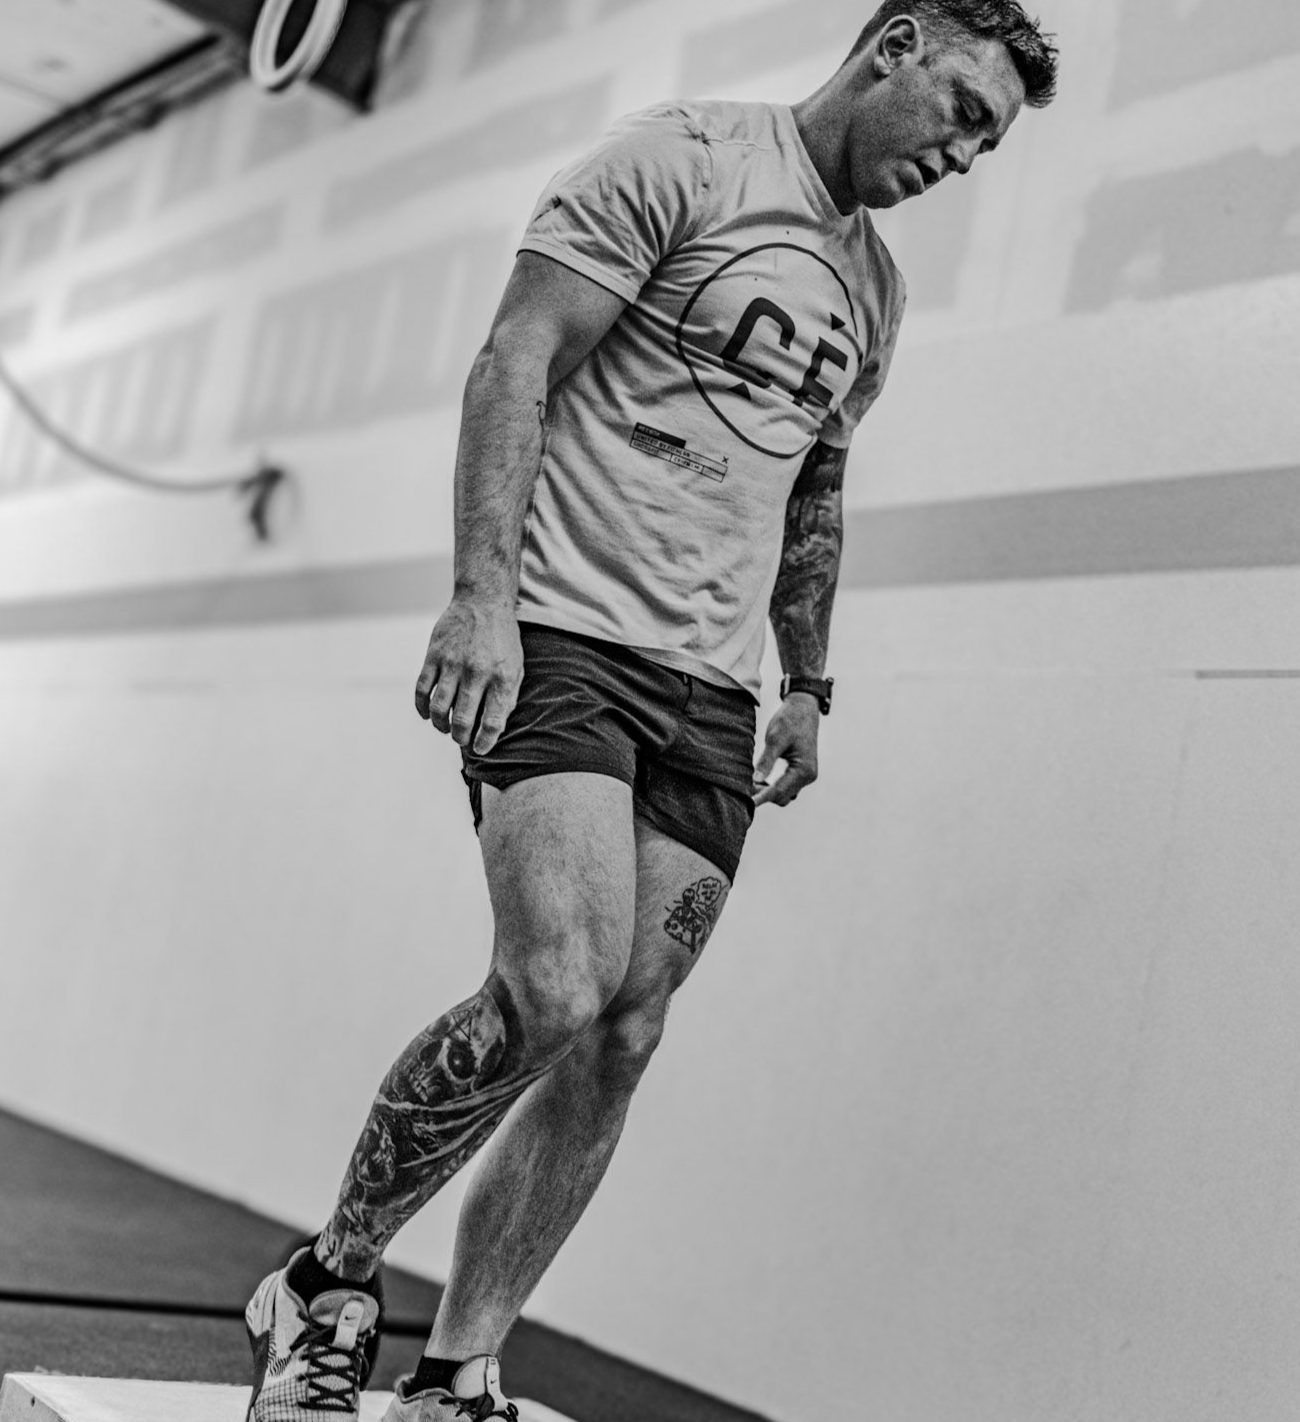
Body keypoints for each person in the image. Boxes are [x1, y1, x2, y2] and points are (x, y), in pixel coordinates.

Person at [244, 4, 1058, 1419]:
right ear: (900, 46)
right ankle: (325, 1282)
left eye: (993, 139)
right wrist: (479, 599)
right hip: (561, 627)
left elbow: (815, 486)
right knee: (554, 984)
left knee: (625, 1025)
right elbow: (515, 359)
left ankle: (458, 1367)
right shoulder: (678, 159)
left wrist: (805, 678)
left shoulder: (877, 294)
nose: (970, 153)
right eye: (968, 110)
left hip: (707, 686)